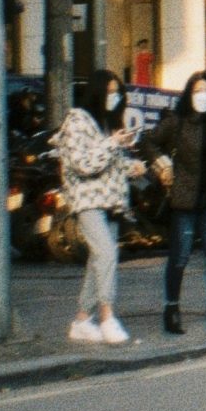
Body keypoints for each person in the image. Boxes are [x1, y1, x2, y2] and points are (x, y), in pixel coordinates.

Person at [148, 70, 206, 334]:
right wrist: (163, 166)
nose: (203, 96)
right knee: (180, 257)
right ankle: (172, 308)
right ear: (189, 94)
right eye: (198, 90)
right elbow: (149, 143)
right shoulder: (176, 122)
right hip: (184, 201)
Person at [55, 70, 135, 345]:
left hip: (110, 201)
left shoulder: (105, 123)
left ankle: (80, 320)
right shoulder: (77, 120)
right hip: (86, 199)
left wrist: (129, 165)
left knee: (98, 259)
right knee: (107, 252)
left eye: (118, 92)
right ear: (98, 91)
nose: (114, 97)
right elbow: (84, 164)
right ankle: (106, 315)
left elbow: (109, 163)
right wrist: (113, 143)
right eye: (110, 91)